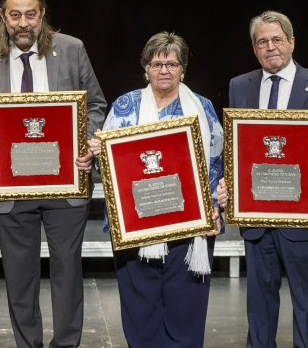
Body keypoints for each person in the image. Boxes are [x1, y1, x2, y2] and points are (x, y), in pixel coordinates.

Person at [0, 0, 107, 348]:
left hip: (66, 182)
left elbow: (96, 106)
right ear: (3, 17)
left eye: (30, 14)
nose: (22, 23)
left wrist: (88, 144)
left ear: (42, 15)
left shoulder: (72, 50)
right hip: (10, 185)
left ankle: (66, 344)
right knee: (19, 276)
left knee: (67, 271)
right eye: (15, 15)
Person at [89, 31, 227, 348]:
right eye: (156, 63)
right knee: (141, 311)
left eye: (171, 63)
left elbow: (217, 162)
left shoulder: (202, 108)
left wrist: (216, 206)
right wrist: (98, 152)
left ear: (182, 68)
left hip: (188, 225)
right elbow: (107, 169)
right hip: (135, 226)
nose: (164, 70)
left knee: (186, 309)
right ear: (146, 68)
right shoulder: (126, 106)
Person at [228, 10, 308, 348]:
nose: (270, 47)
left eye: (277, 40)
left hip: (305, 218)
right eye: (262, 42)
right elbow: (238, 149)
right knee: (259, 308)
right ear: (255, 49)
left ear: (292, 42)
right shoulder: (239, 86)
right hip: (256, 220)